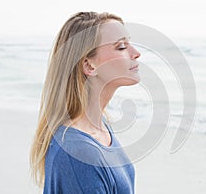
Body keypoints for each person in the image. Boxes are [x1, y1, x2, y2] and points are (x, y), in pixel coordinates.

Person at [30, 11, 141, 194]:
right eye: (121, 47)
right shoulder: (79, 152)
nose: (136, 53)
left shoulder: (100, 128)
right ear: (90, 66)